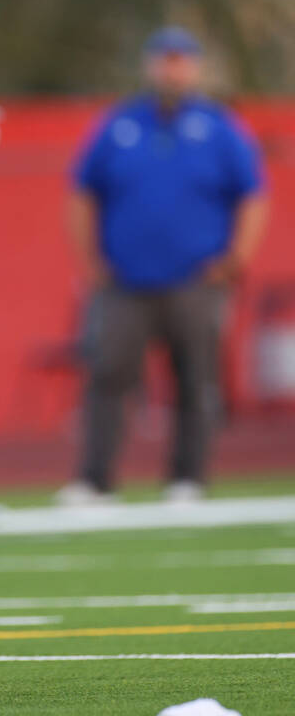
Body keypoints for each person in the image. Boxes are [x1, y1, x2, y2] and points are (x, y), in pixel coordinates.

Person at [60, 27, 267, 505]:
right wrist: (90, 258)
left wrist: (236, 257)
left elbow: (253, 194)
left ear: (193, 67)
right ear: (151, 65)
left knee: (196, 380)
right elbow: (82, 191)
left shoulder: (219, 127)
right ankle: (96, 480)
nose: (171, 69)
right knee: (108, 375)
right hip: (124, 280)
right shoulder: (120, 124)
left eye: (180, 61)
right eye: (164, 60)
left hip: (196, 279)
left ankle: (187, 478)